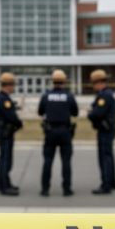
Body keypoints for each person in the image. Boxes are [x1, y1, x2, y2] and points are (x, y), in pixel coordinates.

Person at [37, 69, 79, 197]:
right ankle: (66, 189)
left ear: (52, 81)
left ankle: (45, 189)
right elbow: (75, 113)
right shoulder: (69, 96)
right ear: (64, 81)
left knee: (48, 160)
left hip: (50, 131)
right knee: (66, 161)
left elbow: (40, 112)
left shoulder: (46, 95)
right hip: (65, 131)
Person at [87, 69, 115, 194]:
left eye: (95, 84)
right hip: (109, 128)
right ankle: (112, 182)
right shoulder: (109, 93)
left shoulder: (103, 95)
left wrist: (89, 114)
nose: (94, 86)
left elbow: (97, 113)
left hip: (105, 129)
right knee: (109, 155)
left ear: (99, 83)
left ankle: (106, 185)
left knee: (104, 157)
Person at [0, 72, 22, 196]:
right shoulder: (5, 99)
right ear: (8, 85)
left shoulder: (2, 97)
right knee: (6, 159)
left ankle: (2, 183)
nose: (14, 87)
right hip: (6, 131)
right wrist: (20, 123)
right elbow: (11, 116)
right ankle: (5, 187)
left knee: (3, 157)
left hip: (3, 129)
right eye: (13, 85)